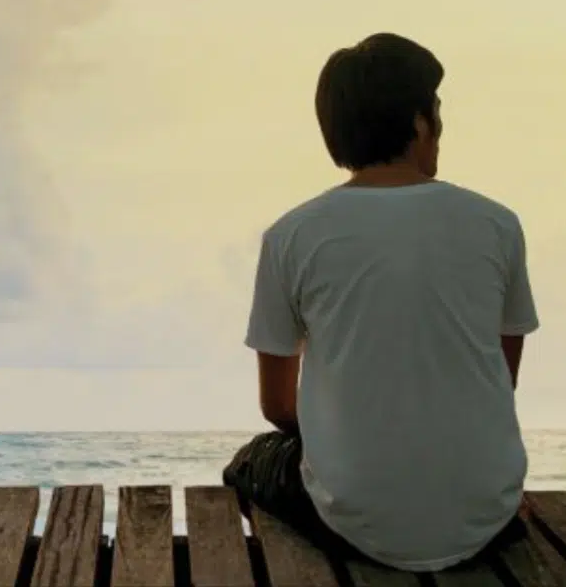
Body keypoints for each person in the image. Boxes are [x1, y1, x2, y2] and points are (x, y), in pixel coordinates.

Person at [223, 33, 539, 572]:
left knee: (250, 463)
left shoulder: (292, 235)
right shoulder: (497, 224)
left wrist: (350, 427)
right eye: (437, 111)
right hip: (487, 512)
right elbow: (498, 381)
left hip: (356, 524)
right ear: (420, 123)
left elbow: (277, 408)